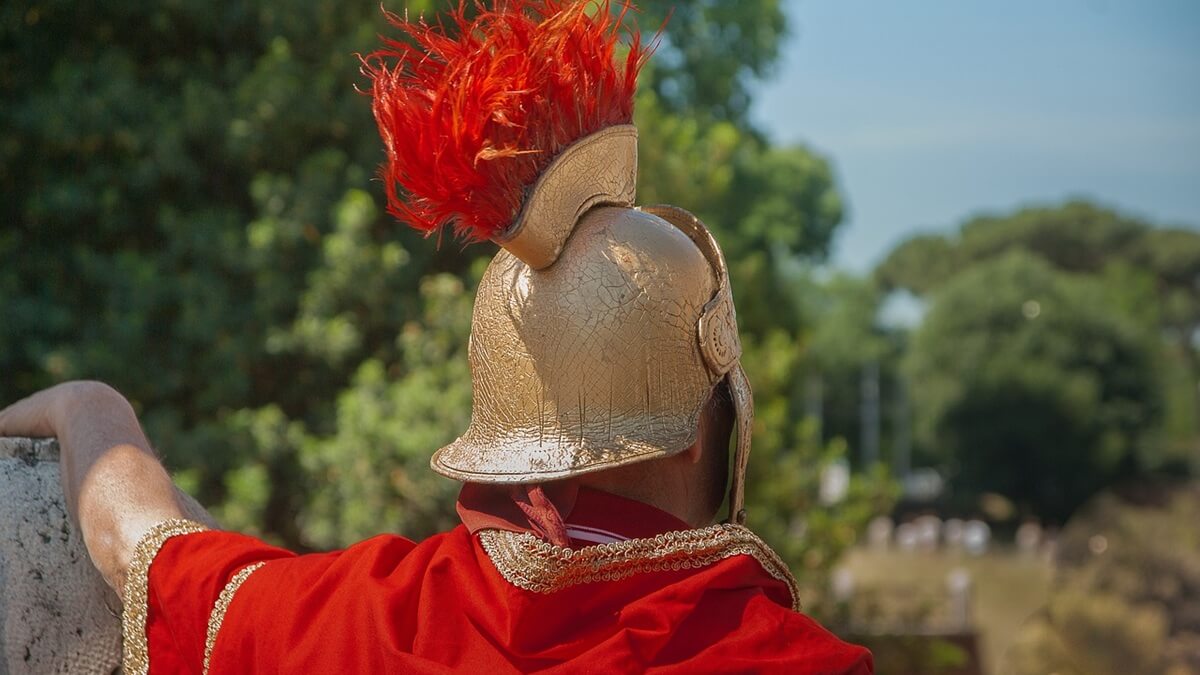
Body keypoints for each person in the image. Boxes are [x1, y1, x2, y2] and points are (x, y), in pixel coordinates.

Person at [0, 1, 873, 673]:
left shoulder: (366, 622)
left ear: (507, 434)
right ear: (697, 432)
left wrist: (89, 403)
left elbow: (146, 550)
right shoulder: (792, 657)